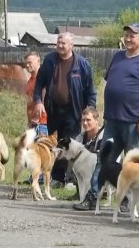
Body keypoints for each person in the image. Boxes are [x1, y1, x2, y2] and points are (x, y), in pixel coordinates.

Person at [32, 33, 97, 186]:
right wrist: (38, 102)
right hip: (53, 110)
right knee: (56, 145)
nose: (60, 46)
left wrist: (89, 111)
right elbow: (38, 84)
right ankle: (57, 178)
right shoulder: (49, 61)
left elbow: (90, 90)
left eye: (64, 43)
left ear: (71, 45)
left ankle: (71, 179)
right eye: (58, 43)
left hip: (73, 112)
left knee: (71, 145)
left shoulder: (81, 64)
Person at [99, 24, 139, 165]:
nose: (128, 39)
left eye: (132, 36)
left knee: (135, 164)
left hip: (132, 121)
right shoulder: (117, 56)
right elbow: (108, 83)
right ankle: (96, 188)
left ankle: (136, 188)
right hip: (111, 120)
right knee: (104, 160)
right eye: (126, 36)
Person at [72, 107, 106, 211]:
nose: (85, 123)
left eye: (88, 120)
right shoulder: (79, 138)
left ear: (97, 120)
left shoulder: (103, 137)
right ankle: (83, 197)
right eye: (83, 120)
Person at [24, 51, 48, 136]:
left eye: (30, 62)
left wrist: (37, 119)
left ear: (38, 61)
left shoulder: (44, 78)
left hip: (42, 123)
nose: (27, 65)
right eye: (26, 63)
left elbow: (44, 99)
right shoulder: (30, 81)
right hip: (33, 122)